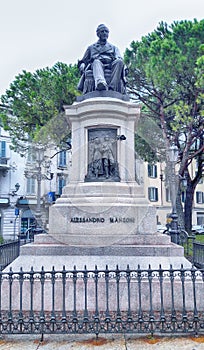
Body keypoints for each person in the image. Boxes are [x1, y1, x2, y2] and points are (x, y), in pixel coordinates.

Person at [78, 24, 127, 94]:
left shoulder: (113, 47)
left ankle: (112, 88)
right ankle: (100, 83)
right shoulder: (91, 48)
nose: (104, 33)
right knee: (96, 62)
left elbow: (119, 57)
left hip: (110, 65)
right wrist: (82, 65)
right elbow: (83, 61)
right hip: (97, 64)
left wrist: (124, 66)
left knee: (119, 62)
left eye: (106, 31)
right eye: (102, 31)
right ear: (98, 34)